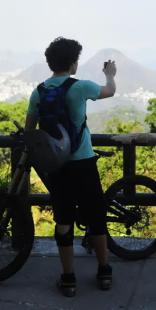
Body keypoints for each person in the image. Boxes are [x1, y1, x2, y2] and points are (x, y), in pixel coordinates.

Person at [24, 37, 117, 297]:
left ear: (50, 63)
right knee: (96, 218)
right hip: (84, 162)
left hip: (57, 166)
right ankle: (104, 272)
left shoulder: (39, 91)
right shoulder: (80, 87)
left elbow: (30, 130)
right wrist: (110, 75)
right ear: (73, 63)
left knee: (63, 220)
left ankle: (68, 279)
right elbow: (109, 91)